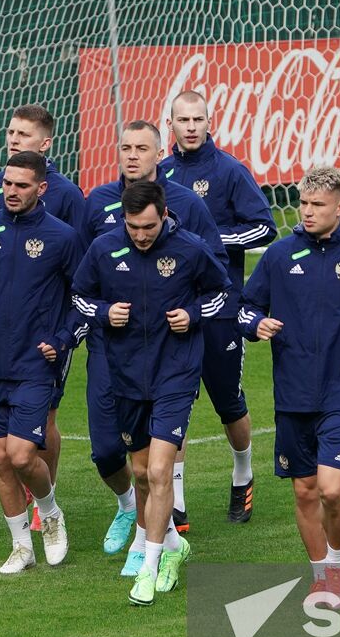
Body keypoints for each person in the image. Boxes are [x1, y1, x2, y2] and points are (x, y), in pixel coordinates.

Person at [239, 166, 340, 608]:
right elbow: (243, 308)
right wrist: (257, 324)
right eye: (303, 204)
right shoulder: (278, 256)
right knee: (305, 491)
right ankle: (321, 576)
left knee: (332, 489)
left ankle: (337, 566)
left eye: (317, 205)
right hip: (292, 391)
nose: (307, 213)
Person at [71, 181, 232, 606]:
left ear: (163, 215)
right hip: (127, 378)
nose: (140, 235)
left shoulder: (190, 249)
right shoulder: (105, 249)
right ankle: (176, 545)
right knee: (140, 474)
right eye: (132, 227)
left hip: (176, 375)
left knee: (160, 472)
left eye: (147, 227)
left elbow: (222, 294)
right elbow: (80, 297)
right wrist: (105, 312)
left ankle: (151, 565)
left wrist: (192, 315)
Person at [0, 151, 83, 572]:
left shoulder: (62, 237)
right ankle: (21, 546)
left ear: (41, 189)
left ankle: (51, 513)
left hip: (34, 363)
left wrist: (61, 340)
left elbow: (83, 300)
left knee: (23, 455)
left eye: (22, 185)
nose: (11, 191)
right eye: (8, 183)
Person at [0, 105, 86, 528]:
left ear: (46, 143)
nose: (14, 139)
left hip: (48, 330)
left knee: (46, 416)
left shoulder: (68, 196)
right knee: (2, 446)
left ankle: (43, 503)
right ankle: (18, 512)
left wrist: (67, 328)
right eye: (11, 132)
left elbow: (79, 266)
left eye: (24, 134)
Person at [161, 91, 277, 524]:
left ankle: (243, 474)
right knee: (174, 404)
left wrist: (209, 243)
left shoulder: (230, 170)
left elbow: (264, 228)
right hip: (173, 309)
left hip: (221, 307)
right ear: (169, 124)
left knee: (228, 403)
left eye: (197, 119)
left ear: (210, 122)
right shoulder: (161, 174)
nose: (190, 127)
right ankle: (175, 502)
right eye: (182, 120)